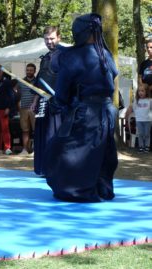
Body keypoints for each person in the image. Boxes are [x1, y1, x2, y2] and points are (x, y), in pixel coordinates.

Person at [44, 13, 118, 202]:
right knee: (102, 150)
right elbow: (113, 75)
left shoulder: (74, 56)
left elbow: (62, 91)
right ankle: (103, 188)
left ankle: (76, 189)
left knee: (63, 148)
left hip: (88, 113)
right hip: (108, 111)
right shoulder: (105, 53)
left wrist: (59, 102)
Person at [31, 26, 63, 176]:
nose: (49, 42)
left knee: (54, 134)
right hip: (43, 102)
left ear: (59, 38)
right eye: (46, 39)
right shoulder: (44, 59)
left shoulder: (64, 56)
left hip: (58, 103)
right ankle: (43, 167)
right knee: (42, 134)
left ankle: (55, 168)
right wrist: (35, 100)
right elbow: (39, 81)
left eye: (52, 38)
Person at [125, 85, 152, 152]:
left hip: (148, 120)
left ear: (146, 92)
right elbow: (131, 108)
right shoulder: (136, 101)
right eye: (139, 91)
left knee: (147, 134)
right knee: (140, 134)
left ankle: (147, 146)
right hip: (139, 120)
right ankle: (141, 146)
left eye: (142, 91)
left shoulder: (150, 100)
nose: (140, 92)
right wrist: (127, 116)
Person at [17, 64, 37, 155]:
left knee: (36, 130)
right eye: (27, 70)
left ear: (34, 71)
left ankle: (35, 150)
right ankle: (25, 149)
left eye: (31, 70)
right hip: (23, 108)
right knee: (25, 130)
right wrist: (19, 108)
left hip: (34, 109)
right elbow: (18, 95)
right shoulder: (21, 82)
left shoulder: (38, 81)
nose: (29, 72)